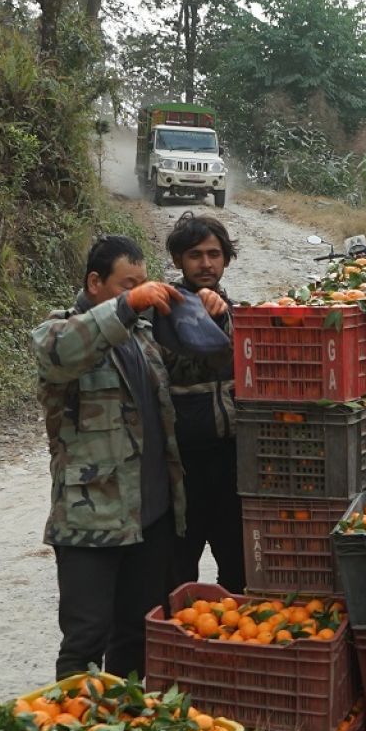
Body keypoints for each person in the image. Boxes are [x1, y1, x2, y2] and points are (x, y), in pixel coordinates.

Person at [29, 235, 190, 681]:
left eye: (141, 284)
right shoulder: (60, 332)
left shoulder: (142, 337)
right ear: (94, 282)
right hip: (91, 521)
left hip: (148, 517)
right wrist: (127, 306)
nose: (136, 294)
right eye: (126, 285)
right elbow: (58, 355)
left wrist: (214, 308)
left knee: (137, 636)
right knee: (85, 642)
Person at [159, 211, 245, 593]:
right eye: (195, 254)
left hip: (233, 462)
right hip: (180, 467)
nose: (206, 263)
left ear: (225, 259)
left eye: (214, 254)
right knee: (176, 572)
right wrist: (199, 320)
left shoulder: (240, 314)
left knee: (240, 571)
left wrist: (224, 320)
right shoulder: (159, 313)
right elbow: (175, 366)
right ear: (178, 260)